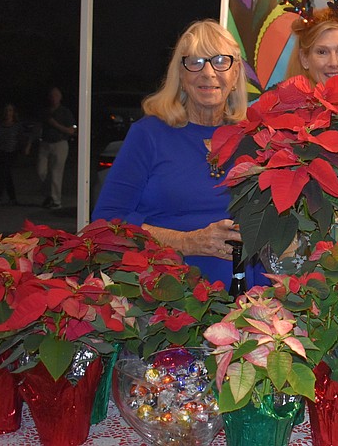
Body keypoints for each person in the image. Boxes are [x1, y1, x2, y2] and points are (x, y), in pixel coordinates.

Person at [92, 19, 266, 288]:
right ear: (181, 77)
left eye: (221, 61)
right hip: (168, 297)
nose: (208, 72)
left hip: (245, 297)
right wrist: (187, 241)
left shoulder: (253, 138)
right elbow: (106, 221)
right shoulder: (149, 134)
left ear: (235, 77)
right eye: (195, 61)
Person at [37, 86, 76, 209]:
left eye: (56, 96)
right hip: (45, 143)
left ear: (60, 98)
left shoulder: (65, 112)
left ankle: (56, 200)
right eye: (52, 96)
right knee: (41, 171)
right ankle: (48, 195)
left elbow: (71, 130)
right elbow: (38, 127)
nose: (53, 98)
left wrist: (56, 125)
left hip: (60, 143)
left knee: (56, 172)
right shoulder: (46, 111)